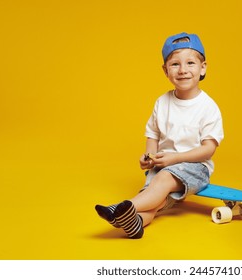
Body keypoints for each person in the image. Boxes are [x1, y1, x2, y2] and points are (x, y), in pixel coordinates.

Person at [95, 32, 224, 239]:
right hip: (164, 164)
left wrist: (175, 158)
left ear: (203, 68)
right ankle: (135, 224)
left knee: (161, 182)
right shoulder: (162, 102)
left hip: (196, 167)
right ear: (165, 70)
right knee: (153, 199)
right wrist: (149, 156)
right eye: (175, 64)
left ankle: (117, 208)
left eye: (190, 63)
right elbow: (153, 134)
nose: (183, 70)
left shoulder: (208, 107)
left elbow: (208, 149)